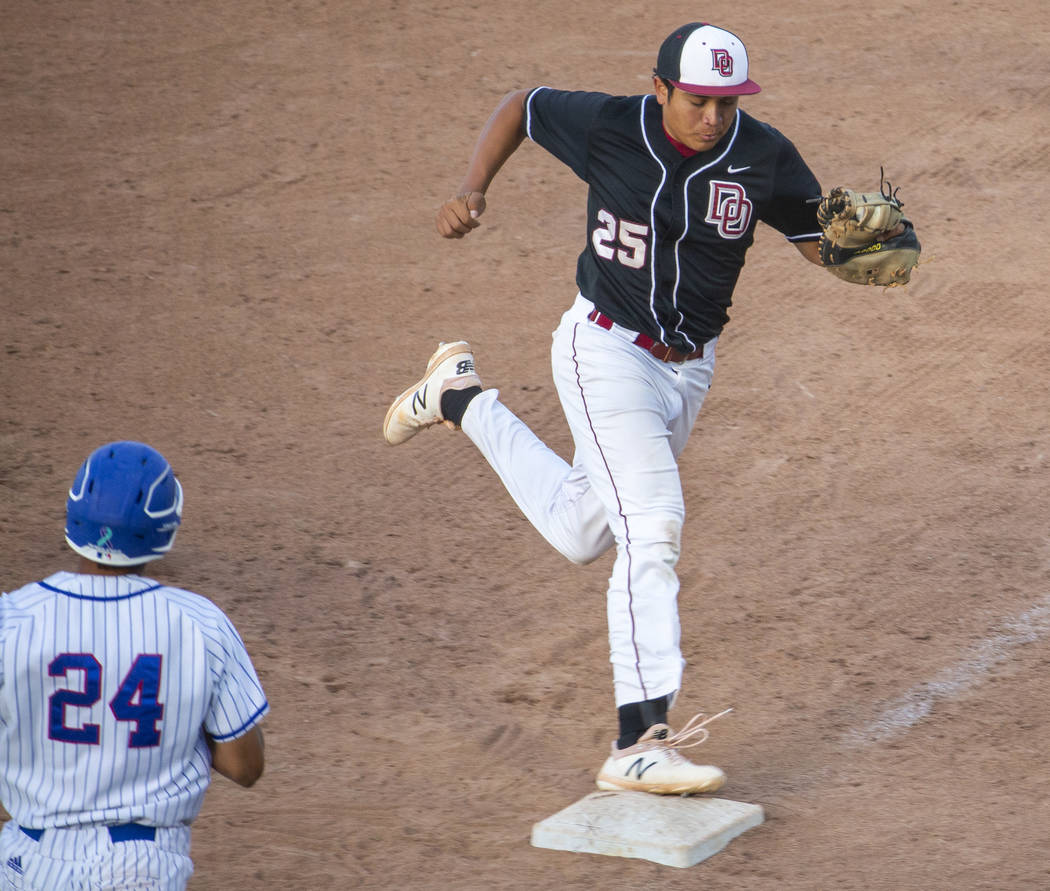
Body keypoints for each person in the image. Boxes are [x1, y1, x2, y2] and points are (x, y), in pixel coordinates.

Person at [383, 23, 906, 795]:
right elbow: (521, 106)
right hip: (605, 352)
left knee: (582, 529)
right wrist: (473, 187)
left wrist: (859, 257)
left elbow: (810, 236)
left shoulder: (762, 154)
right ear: (660, 88)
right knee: (652, 526)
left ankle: (457, 395)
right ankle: (640, 736)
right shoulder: (610, 126)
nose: (715, 118)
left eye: (728, 103)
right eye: (699, 101)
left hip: (688, 371)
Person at [0, 441, 269, 889]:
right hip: (141, 869)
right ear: (166, 526)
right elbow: (245, 767)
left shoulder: (10, 620)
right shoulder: (200, 624)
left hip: (28, 864)